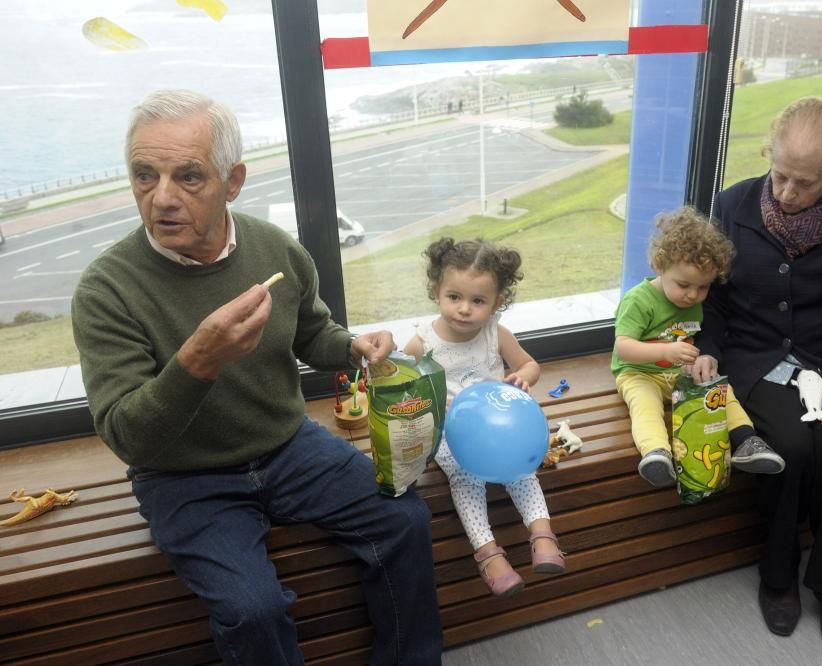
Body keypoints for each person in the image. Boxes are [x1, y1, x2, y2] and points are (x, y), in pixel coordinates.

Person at [71, 90, 442, 666]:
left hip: (287, 446)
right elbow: (128, 437)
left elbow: (311, 334)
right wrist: (199, 360)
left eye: (188, 177)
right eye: (144, 175)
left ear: (233, 180)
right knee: (253, 608)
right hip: (183, 477)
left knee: (405, 517)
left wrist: (352, 347)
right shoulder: (106, 289)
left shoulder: (274, 249)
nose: (161, 198)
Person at [693, 97, 822, 663]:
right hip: (757, 357)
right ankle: (778, 575)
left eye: (804, 184)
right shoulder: (733, 203)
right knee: (786, 448)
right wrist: (708, 352)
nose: (786, 193)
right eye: (780, 174)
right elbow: (713, 303)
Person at [403, 237, 566, 598]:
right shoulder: (422, 343)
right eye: (454, 297)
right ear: (436, 291)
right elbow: (402, 387)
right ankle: (489, 554)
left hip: (502, 427)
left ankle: (542, 535)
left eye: (478, 301)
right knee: (465, 478)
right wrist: (427, 401)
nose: (464, 309)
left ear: (498, 302)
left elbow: (529, 363)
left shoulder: (496, 333)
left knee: (523, 470)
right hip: (451, 434)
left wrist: (525, 377)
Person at [611, 206, 785, 489]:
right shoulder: (639, 301)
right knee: (645, 406)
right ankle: (656, 454)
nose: (693, 295)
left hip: (679, 373)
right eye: (683, 285)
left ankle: (746, 442)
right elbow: (624, 348)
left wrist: (697, 360)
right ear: (659, 265)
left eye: (703, 287)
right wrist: (666, 353)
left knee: (720, 391)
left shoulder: (694, 300)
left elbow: (697, 337)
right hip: (640, 373)